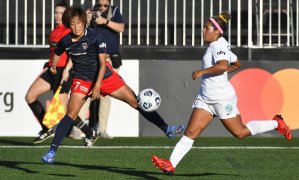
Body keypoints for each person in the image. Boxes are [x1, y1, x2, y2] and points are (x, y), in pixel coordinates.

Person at [151, 11, 292, 176]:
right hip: (206, 97)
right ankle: (170, 164)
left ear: (217, 31)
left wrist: (202, 72)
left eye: (206, 28)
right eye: (203, 27)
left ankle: (277, 124)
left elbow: (223, 65)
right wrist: (217, 74)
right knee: (190, 133)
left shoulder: (218, 45)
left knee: (240, 133)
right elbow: (236, 63)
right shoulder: (219, 44)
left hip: (221, 98)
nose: (203, 31)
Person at [41, 6, 185, 164]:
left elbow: (103, 64)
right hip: (82, 80)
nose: (76, 27)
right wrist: (54, 66)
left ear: (84, 22)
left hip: (105, 77)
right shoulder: (66, 40)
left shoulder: (96, 37)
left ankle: (167, 129)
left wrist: (97, 87)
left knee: (135, 102)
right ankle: (51, 152)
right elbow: (57, 51)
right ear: (69, 24)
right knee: (71, 114)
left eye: (79, 23)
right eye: (73, 24)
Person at [25, 1, 99, 145]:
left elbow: (74, 53)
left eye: (61, 13)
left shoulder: (70, 31)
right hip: (52, 70)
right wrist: (49, 65)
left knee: (66, 110)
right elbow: (54, 53)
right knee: (30, 96)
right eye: (56, 13)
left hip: (65, 72)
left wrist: (67, 69)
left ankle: (90, 133)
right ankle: (46, 128)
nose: (58, 16)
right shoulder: (54, 32)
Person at [88, 0, 125, 139]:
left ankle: (102, 129)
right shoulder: (92, 11)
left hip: (110, 58)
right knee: (86, 92)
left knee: (107, 94)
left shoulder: (114, 11)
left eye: (105, 5)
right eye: (100, 5)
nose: (102, 8)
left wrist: (105, 21)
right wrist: (88, 16)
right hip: (94, 58)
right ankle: (79, 129)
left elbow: (121, 28)